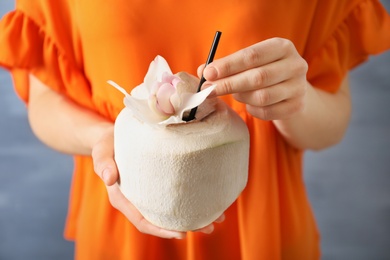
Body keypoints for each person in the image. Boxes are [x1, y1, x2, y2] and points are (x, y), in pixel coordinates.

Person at [0, 0, 389, 259]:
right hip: (121, 232)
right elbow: (46, 102)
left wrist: (293, 99)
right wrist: (106, 140)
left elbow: (331, 121)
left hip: (264, 234)